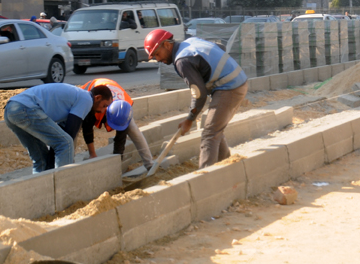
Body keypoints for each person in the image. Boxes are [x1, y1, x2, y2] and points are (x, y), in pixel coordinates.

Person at [145, 29, 248, 168]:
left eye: (157, 53)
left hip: (229, 87)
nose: (157, 59)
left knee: (209, 134)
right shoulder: (190, 42)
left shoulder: (182, 60)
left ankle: (204, 177)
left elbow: (199, 94)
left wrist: (189, 120)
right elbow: (220, 48)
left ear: (167, 45)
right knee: (214, 128)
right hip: (235, 81)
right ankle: (225, 165)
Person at [4, 84, 113, 173]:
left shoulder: (74, 99)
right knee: (66, 142)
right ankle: (63, 186)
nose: (103, 111)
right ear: (97, 97)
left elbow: (60, 136)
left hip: (11, 110)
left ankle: (42, 189)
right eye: (104, 105)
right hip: (26, 109)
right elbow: (68, 137)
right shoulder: (87, 99)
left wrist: (51, 166)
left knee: (41, 159)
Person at [80, 78, 154, 171]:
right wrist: (92, 154)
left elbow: (120, 140)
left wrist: (117, 166)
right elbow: (87, 128)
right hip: (91, 94)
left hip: (116, 101)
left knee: (133, 130)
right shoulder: (96, 104)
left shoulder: (124, 111)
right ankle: (67, 164)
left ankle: (150, 165)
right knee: (76, 126)